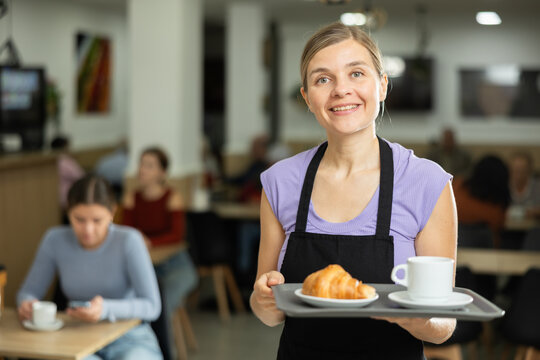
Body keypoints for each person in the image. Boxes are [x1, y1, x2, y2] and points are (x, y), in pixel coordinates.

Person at [250, 22, 457, 359]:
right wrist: (262, 300)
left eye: (356, 74)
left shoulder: (426, 182)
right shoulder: (280, 182)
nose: (340, 90)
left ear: (382, 86)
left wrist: (411, 318)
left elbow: (443, 327)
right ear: (307, 97)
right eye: (322, 79)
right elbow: (269, 313)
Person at [17, 175, 162, 360]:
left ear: (112, 213)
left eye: (97, 220)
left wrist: (106, 310)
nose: (88, 230)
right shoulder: (54, 240)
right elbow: (28, 292)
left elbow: (152, 306)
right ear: (68, 211)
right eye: (79, 219)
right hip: (75, 340)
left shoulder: (129, 241)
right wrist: (27, 304)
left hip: (129, 339)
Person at [122, 147, 198, 356]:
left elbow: (176, 235)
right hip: (147, 267)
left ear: (162, 173)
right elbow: (127, 233)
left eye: (149, 165)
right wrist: (141, 242)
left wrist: (148, 242)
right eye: (141, 164)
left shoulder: (172, 197)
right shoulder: (132, 197)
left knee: (162, 304)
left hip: (177, 266)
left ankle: (164, 353)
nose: (141, 170)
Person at [453, 155, 511, 248]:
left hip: (453, 249)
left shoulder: (457, 187)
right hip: (487, 253)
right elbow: (500, 226)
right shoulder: (495, 210)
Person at [51, 135, 85, 219]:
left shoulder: (50, 161)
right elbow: (81, 177)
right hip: (67, 200)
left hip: (54, 198)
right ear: (64, 147)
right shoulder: (65, 161)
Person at [508, 152, 540, 220]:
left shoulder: (537, 186)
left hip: (533, 228)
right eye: (516, 170)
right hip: (508, 228)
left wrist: (533, 212)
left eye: (522, 170)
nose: (519, 175)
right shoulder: (504, 186)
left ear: (529, 170)